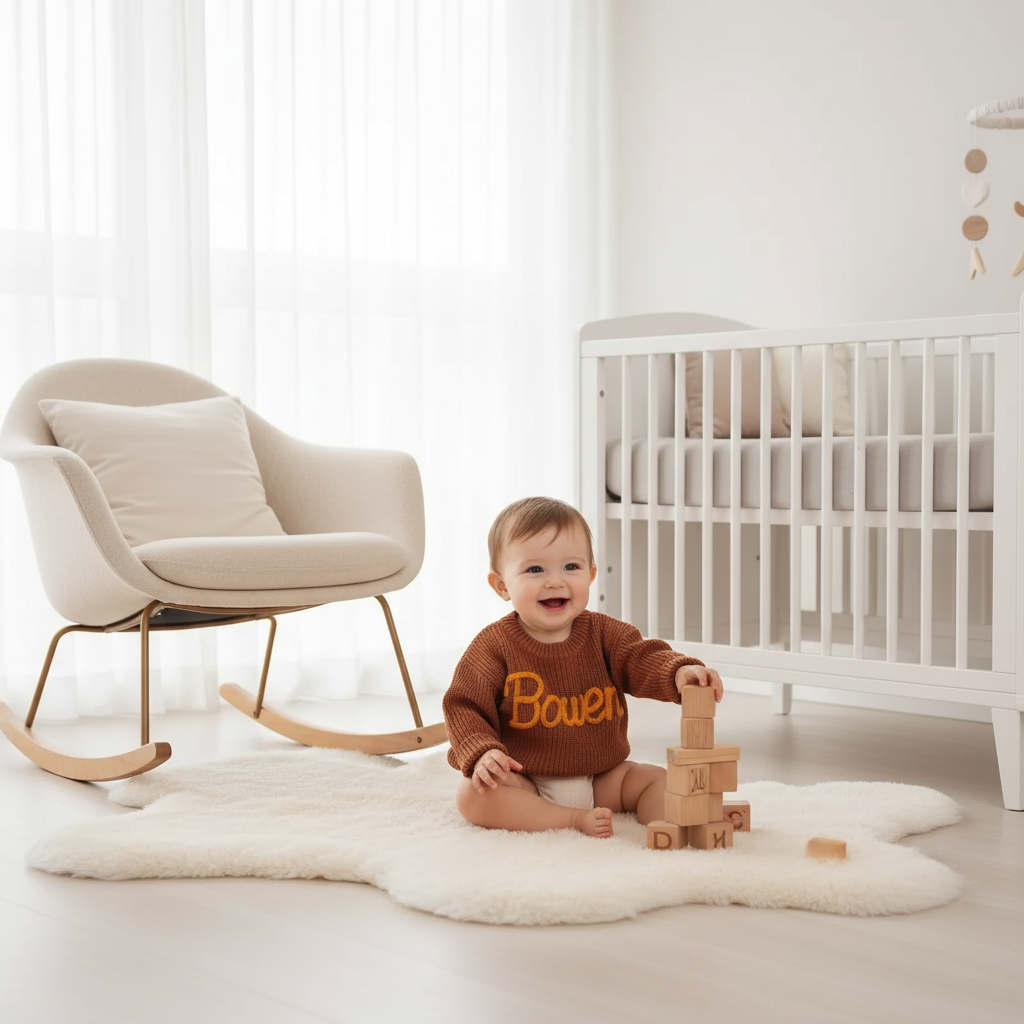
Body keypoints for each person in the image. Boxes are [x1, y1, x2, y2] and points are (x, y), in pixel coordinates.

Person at [443, 496, 724, 838]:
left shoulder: (606, 634)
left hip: (605, 776)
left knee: (658, 780)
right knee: (473, 795)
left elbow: (641, 657)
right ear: (502, 585)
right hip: (526, 778)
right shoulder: (493, 646)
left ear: (591, 575)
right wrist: (482, 752)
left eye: (571, 567)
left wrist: (677, 672)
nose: (555, 581)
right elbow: (463, 706)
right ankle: (567, 819)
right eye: (535, 569)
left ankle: (686, 825)